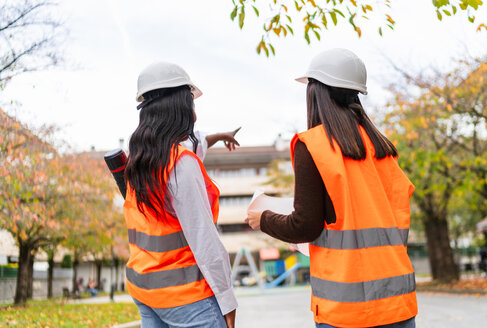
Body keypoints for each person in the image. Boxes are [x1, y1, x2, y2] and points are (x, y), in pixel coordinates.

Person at [246, 49, 417, 328]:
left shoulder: (313, 145)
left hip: (346, 308)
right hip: (397, 300)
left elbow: (305, 226)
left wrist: (262, 219)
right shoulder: (382, 148)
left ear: (317, 93)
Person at [124, 62, 238, 328]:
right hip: (186, 296)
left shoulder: (139, 161)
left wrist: (219, 136)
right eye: (191, 105)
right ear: (178, 108)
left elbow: (194, 141)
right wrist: (227, 301)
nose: (194, 116)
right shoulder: (180, 165)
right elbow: (205, 240)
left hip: (146, 289)